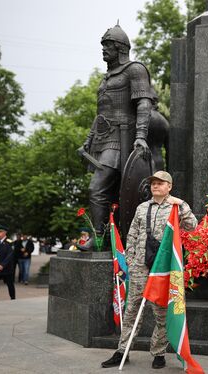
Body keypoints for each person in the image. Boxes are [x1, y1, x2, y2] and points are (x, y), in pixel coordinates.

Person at [101, 171, 197, 369]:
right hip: (140, 267)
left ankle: (159, 353)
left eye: (160, 183)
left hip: (162, 269)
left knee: (161, 312)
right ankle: (123, 351)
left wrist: (183, 206)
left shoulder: (176, 207)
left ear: (169, 186)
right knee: (132, 311)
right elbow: (132, 235)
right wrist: (130, 259)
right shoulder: (142, 208)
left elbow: (192, 227)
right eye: (153, 183)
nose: (155, 186)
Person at [81, 23, 158, 249]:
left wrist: (141, 136)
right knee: (112, 193)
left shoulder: (135, 69)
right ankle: (110, 238)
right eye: (103, 46)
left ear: (120, 47)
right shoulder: (106, 77)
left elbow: (144, 103)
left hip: (122, 138)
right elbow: (101, 115)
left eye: (107, 46)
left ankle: (99, 239)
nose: (103, 50)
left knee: (97, 188)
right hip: (104, 140)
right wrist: (89, 140)